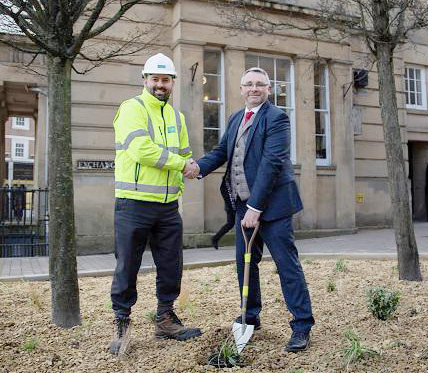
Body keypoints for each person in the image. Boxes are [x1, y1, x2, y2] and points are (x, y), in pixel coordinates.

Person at [189, 67, 315, 352]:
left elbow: (272, 163)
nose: (254, 89)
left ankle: (302, 325)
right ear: (241, 89)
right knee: (245, 264)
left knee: (287, 266)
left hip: (273, 207)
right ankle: (251, 314)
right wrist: (198, 167)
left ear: (269, 90)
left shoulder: (277, 118)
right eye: (249, 84)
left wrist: (256, 207)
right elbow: (223, 152)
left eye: (260, 84)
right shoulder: (236, 118)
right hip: (242, 205)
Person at [109, 53, 202, 355]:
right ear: (145, 80)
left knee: (171, 264)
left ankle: (165, 319)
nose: (160, 85)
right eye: (155, 79)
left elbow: (185, 155)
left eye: (166, 80)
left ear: (173, 83)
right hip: (134, 203)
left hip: (167, 206)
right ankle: (122, 323)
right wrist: (181, 165)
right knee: (128, 266)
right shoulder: (131, 109)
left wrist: (186, 172)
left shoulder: (177, 117)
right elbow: (141, 150)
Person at [211, 175, 235, 250]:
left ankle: (215, 238)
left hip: (231, 206)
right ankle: (215, 238)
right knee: (231, 224)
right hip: (232, 207)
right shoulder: (228, 182)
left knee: (230, 224)